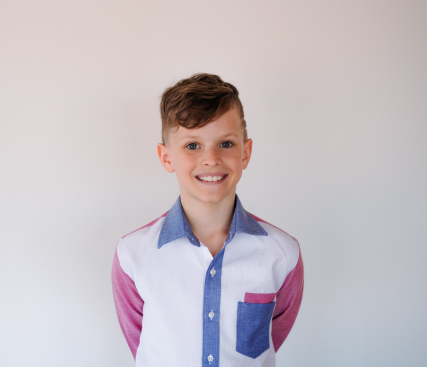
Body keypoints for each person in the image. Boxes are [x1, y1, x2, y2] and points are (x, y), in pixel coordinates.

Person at [111, 73, 304, 367]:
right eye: (192, 146)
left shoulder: (283, 253)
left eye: (226, 144)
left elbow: (271, 336)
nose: (211, 158)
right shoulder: (132, 254)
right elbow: (140, 342)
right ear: (166, 157)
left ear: (246, 153)